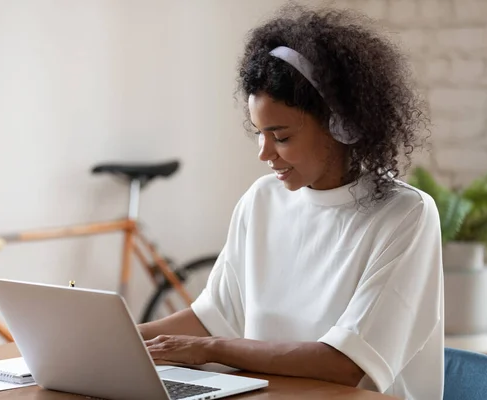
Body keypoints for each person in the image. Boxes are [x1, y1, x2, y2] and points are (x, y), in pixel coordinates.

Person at [138, 3, 444, 399]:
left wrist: (209, 351)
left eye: (281, 136)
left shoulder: (405, 216)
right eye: (259, 133)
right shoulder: (261, 201)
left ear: (341, 125)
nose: (265, 154)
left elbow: (344, 364)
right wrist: (113, 338)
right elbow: (210, 318)